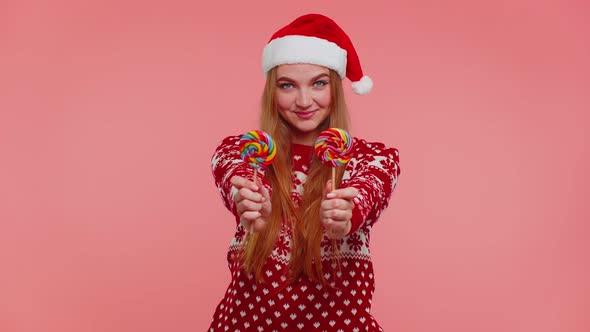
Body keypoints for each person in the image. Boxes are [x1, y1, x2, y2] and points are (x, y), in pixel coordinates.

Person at [209, 13, 400, 332]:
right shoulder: (245, 153)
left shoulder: (371, 158)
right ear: (272, 90)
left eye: (318, 83)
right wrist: (250, 200)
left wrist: (347, 215)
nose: (303, 100)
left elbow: (370, 188)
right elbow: (233, 174)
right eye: (287, 85)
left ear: (335, 88)